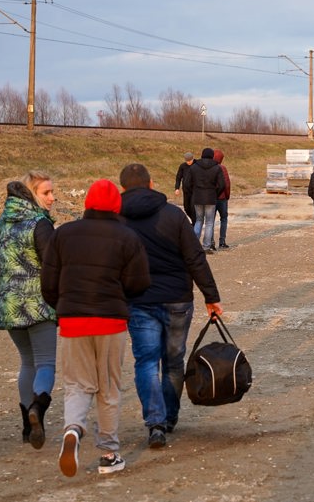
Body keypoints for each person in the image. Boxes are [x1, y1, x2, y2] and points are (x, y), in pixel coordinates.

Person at [41, 179, 151, 477]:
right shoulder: (127, 237)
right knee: (109, 388)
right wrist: (119, 297)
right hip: (111, 322)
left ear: (87, 203)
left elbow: (48, 284)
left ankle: (73, 429)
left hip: (73, 322)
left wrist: (64, 307)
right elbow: (139, 282)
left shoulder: (63, 234)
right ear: (117, 205)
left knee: (77, 385)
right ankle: (108, 453)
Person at [118, 163, 223, 450]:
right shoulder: (173, 215)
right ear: (151, 184)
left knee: (147, 362)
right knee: (174, 362)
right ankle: (170, 417)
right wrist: (211, 296)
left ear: (123, 188)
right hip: (178, 299)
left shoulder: (116, 218)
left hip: (139, 301)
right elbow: (195, 258)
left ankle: (156, 423)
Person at [0, 171, 58, 450]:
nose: (52, 198)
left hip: (9, 306)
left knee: (26, 363)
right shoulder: (40, 224)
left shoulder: (1, 223)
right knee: (45, 363)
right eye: (46, 193)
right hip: (38, 305)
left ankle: (26, 426)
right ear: (32, 194)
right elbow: (52, 266)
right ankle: (38, 410)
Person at [186, 148, 225, 253]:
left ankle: (193, 246)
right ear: (212, 156)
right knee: (209, 222)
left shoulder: (194, 167)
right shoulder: (217, 168)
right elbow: (222, 185)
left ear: (202, 155)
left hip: (197, 197)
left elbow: (187, 183)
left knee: (198, 221)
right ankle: (206, 247)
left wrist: (193, 192)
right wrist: (215, 193)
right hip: (211, 198)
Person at [212, 148, 231, 249]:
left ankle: (210, 242)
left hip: (211, 198)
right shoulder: (223, 168)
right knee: (223, 219)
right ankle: (222, 241)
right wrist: (227, 196)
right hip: (222, 198)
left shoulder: (209, 168)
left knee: (211, 220)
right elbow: (227, 184)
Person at [173, 152, 196, 225]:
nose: (189, 162)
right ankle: (194, 221)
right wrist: (177, 188)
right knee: (186, 207)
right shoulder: (183, 166)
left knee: (193, 208)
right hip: (186, 190)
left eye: (190, 160)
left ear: (193, 159)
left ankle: (195, 223)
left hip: (195, 190)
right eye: (187, 161)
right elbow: (178, 178)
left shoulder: (197, 164)